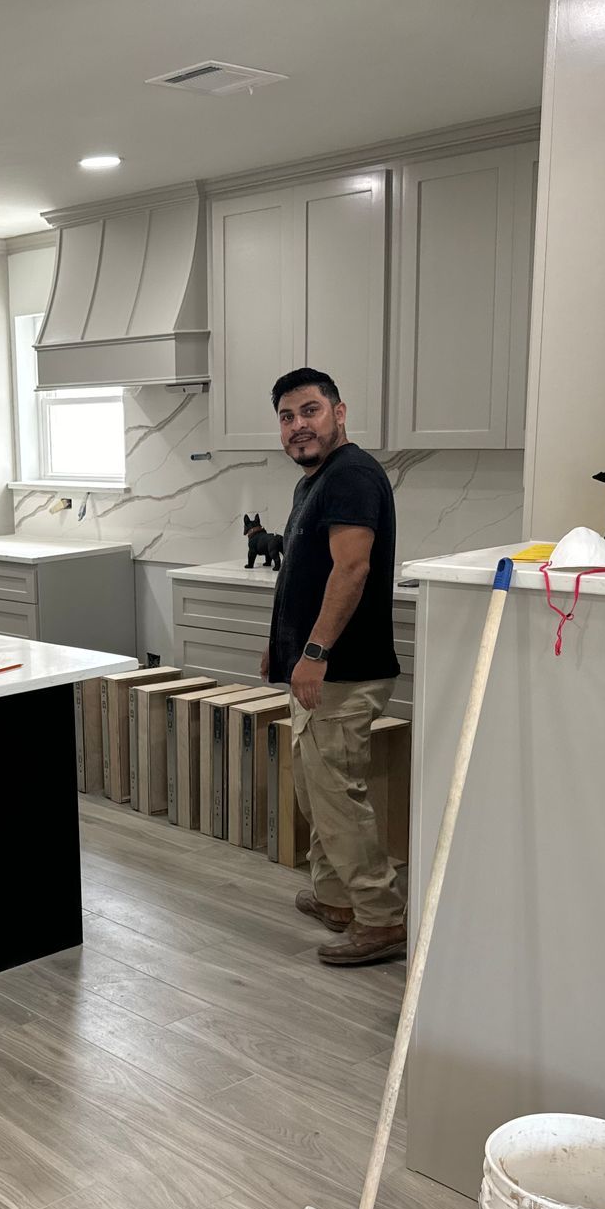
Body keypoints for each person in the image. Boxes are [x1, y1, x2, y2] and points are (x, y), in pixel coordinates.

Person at [263, 367, 406, 966]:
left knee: (337, 797)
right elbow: (305, 571)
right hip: (318, 665)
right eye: (288, 417)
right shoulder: (317, 481)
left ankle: (380, 919)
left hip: (342, 670)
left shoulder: (349, 476)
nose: (299, 426)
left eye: (311, 411)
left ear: (339, 412)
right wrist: (284, 646)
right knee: (318, 793)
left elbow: (352, 571)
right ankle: (336, 899)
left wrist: (315, 652)